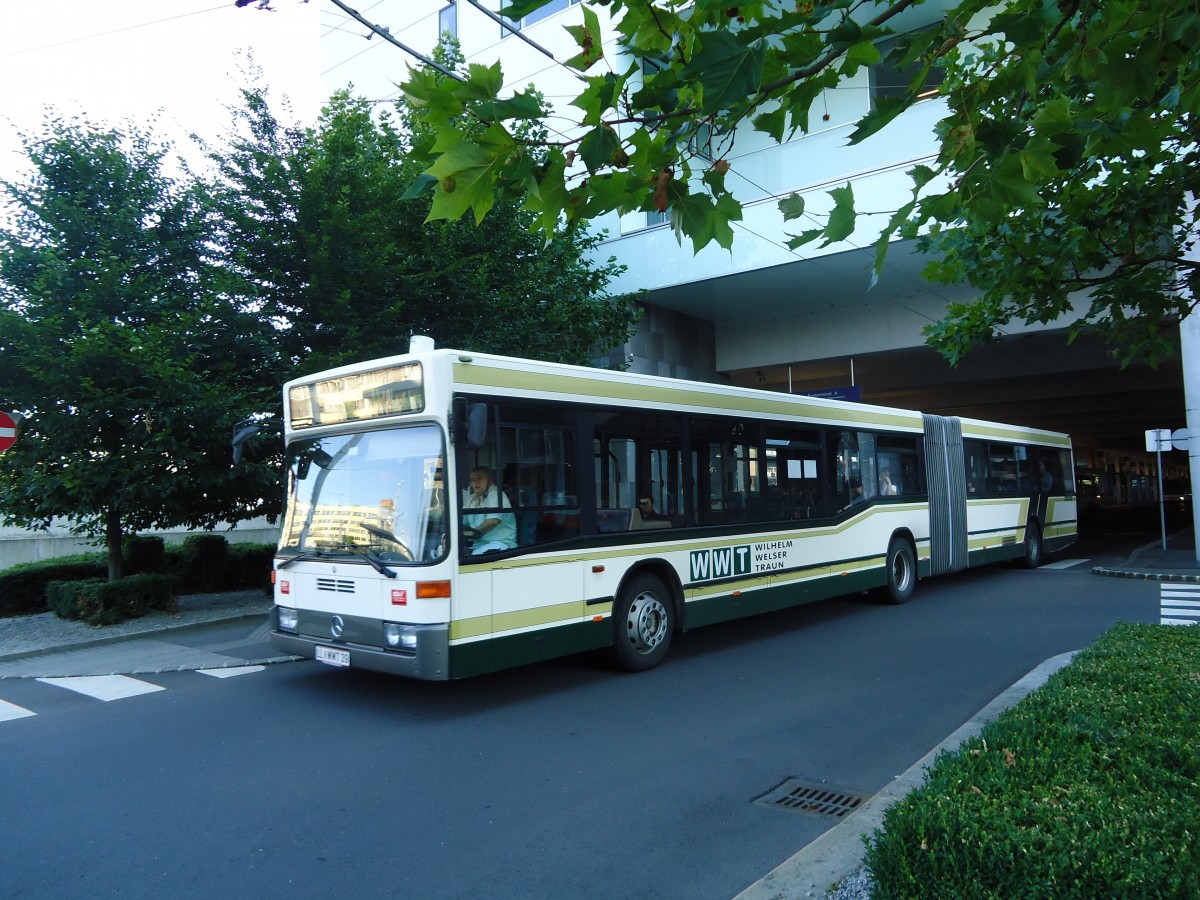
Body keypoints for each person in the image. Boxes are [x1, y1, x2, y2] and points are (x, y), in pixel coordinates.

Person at [462, 466, 517, 554]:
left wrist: (473, 533)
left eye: (479, 478)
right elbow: (463, 520)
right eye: (472, 479)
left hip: (500, 544)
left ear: (489, 480)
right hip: (479, 545)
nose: (475, 482)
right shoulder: (472, 499)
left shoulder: (496, 495)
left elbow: (492, 521)